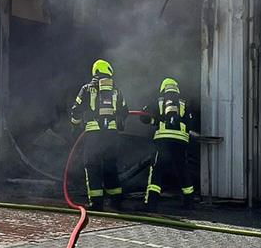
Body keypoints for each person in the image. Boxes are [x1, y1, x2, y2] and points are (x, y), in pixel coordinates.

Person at [70, 59, 128, 211]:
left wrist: (74, 125)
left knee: (92, 166)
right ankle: (116, 201)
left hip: (94, 134)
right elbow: (125, 111)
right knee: (110, 166)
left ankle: (97, 203)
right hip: (111, 134)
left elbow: (76, 110)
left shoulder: (87, 89)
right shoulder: (116, 90)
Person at [139, 77, 196, 209]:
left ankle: (151, 204)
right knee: (182, 169)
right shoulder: (184, 103)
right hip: (180, 141)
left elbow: (144, 116)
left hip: (163, 141)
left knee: (157, 169)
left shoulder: (159, 101)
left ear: (163, 89)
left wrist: (153, 120)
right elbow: (190, 123)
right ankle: (189, 202)